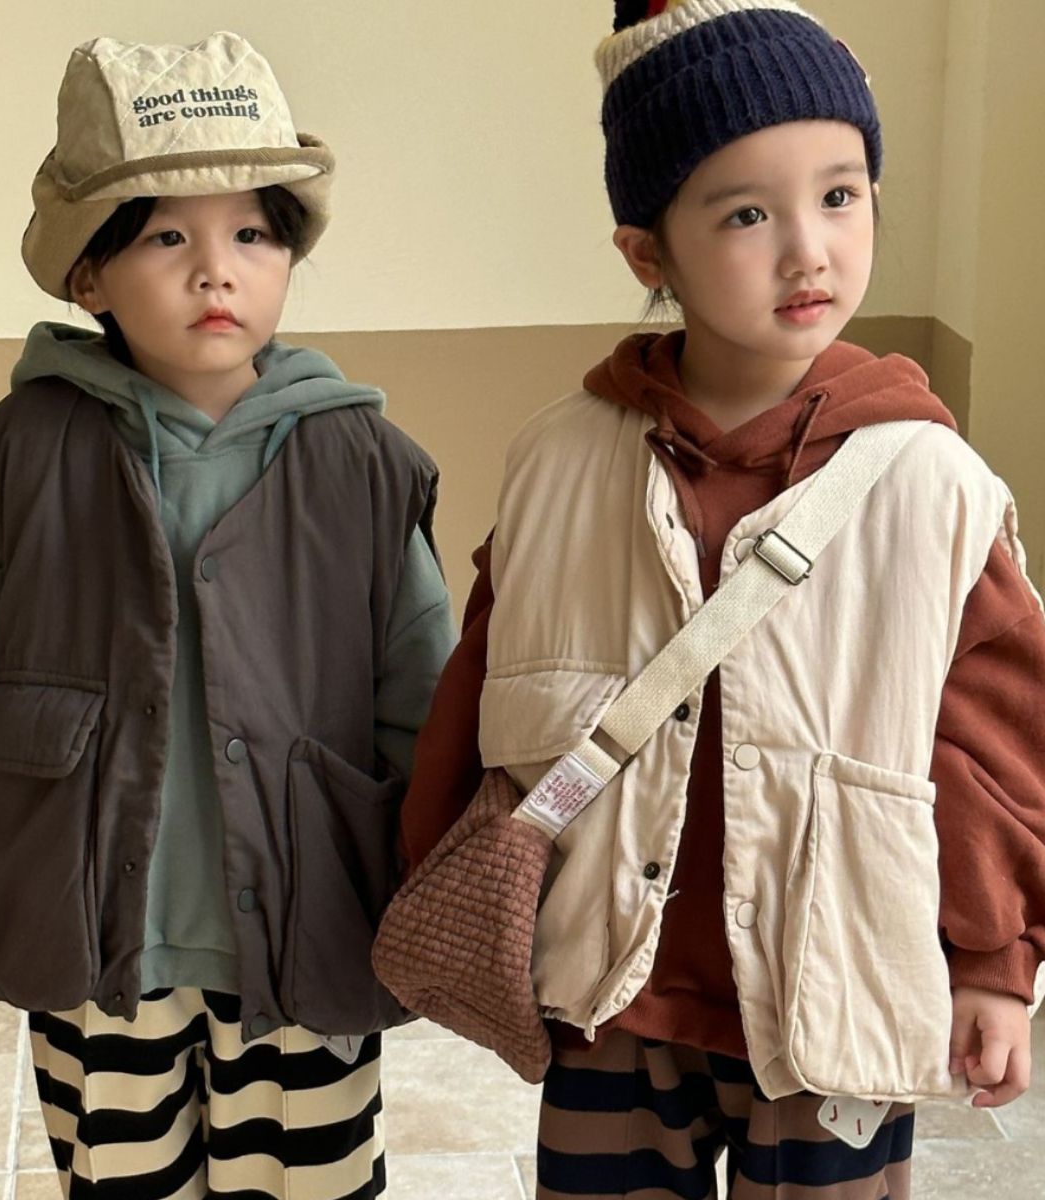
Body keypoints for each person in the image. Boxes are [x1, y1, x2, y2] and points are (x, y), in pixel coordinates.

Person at [398, 2, 1045, 1196]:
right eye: (748, 213)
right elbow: (483, 685)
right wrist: (447, 884)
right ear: (648, 253)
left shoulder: (934, 484)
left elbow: (994, 748)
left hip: (834, 996)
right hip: (610, 992)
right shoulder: (559, 459)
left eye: (840, 196)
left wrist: (995, 963)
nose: (809, 250)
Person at [0, 30, 454, 1200]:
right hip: (85, 918)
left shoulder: (363, 462)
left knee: (312, 1178)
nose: (215, 272)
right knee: (122, 1174)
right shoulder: (30, 451)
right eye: (168, 237)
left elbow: (420, 680)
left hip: (310, 916)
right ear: (89, 276)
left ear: (289, 256)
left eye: (252, 235)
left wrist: (428, 851)